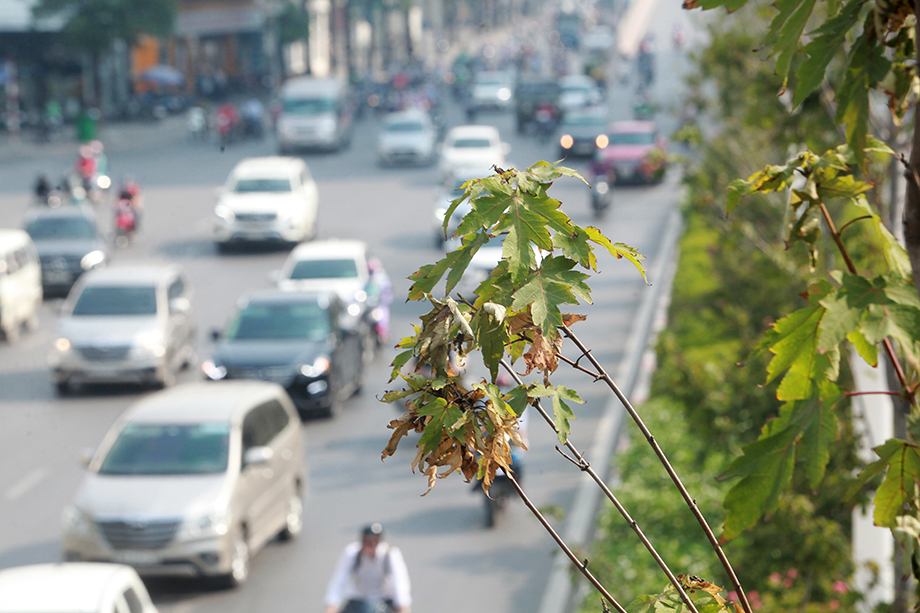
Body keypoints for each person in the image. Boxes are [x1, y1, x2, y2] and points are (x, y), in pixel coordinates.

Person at [324, 524, 411, 613]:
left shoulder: (390, 554)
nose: (371, 545)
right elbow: (339, 579)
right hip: (357, 599)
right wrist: (332, 605)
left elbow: (400, 580)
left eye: (375, 541)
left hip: (383, 600)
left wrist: (403, 606)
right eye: (368, 541)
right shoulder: (352, 553)